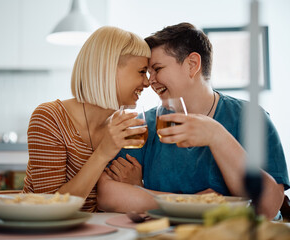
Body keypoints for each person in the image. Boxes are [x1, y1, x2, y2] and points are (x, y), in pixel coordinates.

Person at [97, 22, 289, 219]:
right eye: (148, 72)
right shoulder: (144, 125)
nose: (149, 81)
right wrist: (191, 203)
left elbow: (268, 207)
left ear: (192, 64)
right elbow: (107, 195)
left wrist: (217, 136)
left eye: (157, 68)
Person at [22, 26, 151, 212]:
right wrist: (103, 153)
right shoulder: (50, 118)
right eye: (141, 71)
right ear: (109, 69)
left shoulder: (122, 127)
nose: (147, 82)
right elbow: (49, 208)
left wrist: (136, 185)